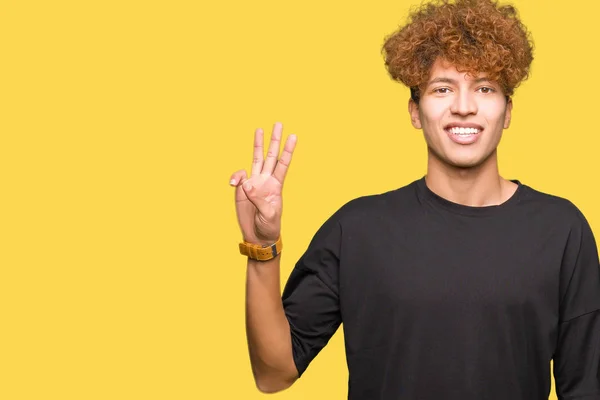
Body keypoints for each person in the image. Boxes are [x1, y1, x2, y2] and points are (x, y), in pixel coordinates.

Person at [229, 0, 600, 398]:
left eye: (485, 88)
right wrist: (261, 247)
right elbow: (273, 374)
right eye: (443, 88)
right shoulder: (357, 229)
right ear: (415, 111)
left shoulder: (561, 230)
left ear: (507, 111)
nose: (463, 106)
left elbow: (584, 388)